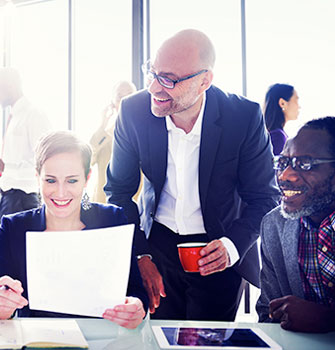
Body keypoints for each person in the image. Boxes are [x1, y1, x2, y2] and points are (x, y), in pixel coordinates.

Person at [105, 29, 279, 321]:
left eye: (170, 80)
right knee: (160, 337)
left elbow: (264, 197)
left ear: (204, 81)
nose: (155, 88)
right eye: (153, 73)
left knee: (207, 341)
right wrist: (140, 254)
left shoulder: (243, 117)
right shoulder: (133, 111)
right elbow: (119, 192)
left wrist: (231, 246)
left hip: (218, 248)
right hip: (156, 247)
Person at [0, 130, 148, 329]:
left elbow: (136, 290)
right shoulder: (13, 228)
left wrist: (137, 307)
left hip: (102, 340)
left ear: (87, 178)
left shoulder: (112, 220)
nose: (61, 192)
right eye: (50, 180)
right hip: (37, 339)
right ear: (37, 177)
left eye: (72, 180)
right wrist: (3, 307)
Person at [256, 116, 335, 333]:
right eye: (283, 163)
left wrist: (334, 319)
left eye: (305, 164)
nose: (286, 175)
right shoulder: (274, 225)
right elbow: (267, 313)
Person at [0, 67, 52, 217]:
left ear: (10, 85)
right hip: (9, 197)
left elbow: (45, 160)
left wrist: (8, 167)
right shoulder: (14, 116)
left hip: (23, 198)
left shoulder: (33, 114)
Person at [90, 81, 136, 203]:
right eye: (120, 96)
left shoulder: (143, 131)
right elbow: (88, 159)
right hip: (104, 203)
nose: (124, 100)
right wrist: (102, 124)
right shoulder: (105, 135)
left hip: (136, 202)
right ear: (112, 102)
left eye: (129, 95)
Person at [263, 83, 300, 155]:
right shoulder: (278, 137)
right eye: (296, 100)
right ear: (282, 103)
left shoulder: (274, 134)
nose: (299, 106)